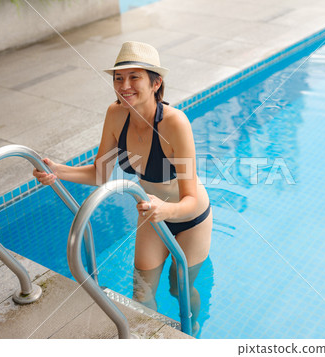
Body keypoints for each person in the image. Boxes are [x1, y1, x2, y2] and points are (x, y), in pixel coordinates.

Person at [33, 41, 212, 335]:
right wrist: (58, 171)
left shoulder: (175, 124)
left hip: (191, 219)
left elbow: (191, 197)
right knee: (141, 293)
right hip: (151, 213)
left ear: (156, 83)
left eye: (134, 77)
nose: (124, 85)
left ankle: (191, 332)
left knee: (179, 288)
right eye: (118, 78)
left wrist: (166, 208)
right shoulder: (115, 115)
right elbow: (101, 174)